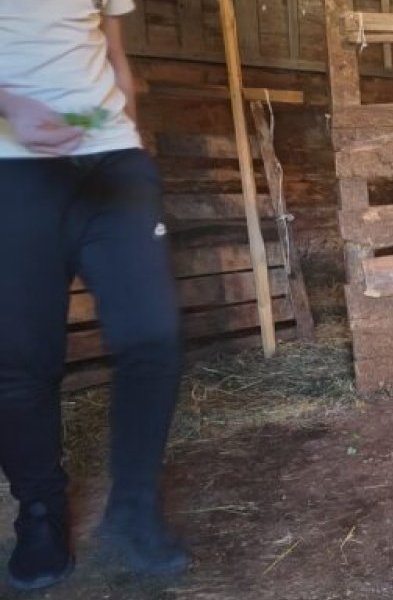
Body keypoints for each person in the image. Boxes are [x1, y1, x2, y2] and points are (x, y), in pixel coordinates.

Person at [0, 0, 188, 590]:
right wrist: (11, 107)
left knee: (154, 336)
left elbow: (113, 46)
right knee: (22, 359)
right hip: (12, 162)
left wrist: (129, 141)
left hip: (110, 156)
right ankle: (39, 514)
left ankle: (133, 505)